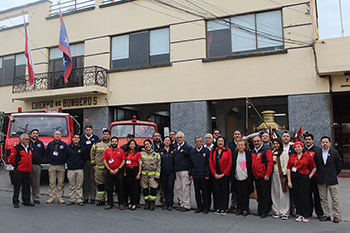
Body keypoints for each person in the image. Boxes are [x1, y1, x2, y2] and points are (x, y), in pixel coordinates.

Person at [314, 136, 342, 223]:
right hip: (321, 178)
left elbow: (339, 166)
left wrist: (333, 174)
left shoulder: (335, 153)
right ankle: (326, 214)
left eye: (326, 142)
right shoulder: (318, 153)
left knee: (335, 198)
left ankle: (336, 215)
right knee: (323, 198)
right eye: (323, 142)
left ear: (330, 143)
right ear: (321, 143)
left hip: (332, 178)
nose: (325, 144)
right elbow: (316, 165)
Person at [287, 141, 316, 222]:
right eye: (296, 147)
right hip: (294, 178)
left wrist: (310, 176)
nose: (297, 148)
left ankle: (306, 214)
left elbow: (314, 167)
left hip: (304, 177)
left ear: (302, 148)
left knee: (304, 196)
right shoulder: (292, 157)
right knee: (296, 196)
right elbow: (288, 168)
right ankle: (299, 213)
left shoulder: (308, 156)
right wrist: (289, 181)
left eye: (299, 147)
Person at [9, 133, 34, 208]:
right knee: (17, 187)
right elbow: (12, 159)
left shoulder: (29, 148)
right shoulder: (16, 148)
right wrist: (16, 166)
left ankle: (26, 200)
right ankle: (16, 201)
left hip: (27, 171)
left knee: (26, 186)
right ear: (21, 140)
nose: (27, 141)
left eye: (28, 139)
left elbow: (31, 157)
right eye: (26, 139)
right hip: (19, 171)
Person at [209, 136, 232, 216]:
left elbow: (229, 163)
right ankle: (217, 208)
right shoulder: (213, 151)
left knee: (224, 192)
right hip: (215, 175)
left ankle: (223, 208)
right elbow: (210, 162)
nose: (220, 143)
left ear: (224, 142)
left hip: (224, 175)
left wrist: (223, 174)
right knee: (216, 191)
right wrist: (214, 173)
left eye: (222, 141)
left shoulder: (228, 151)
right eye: (219, 141)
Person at [251, 135, 273, 218]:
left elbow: (270, 163)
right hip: (256, 176)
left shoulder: (266, 150)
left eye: (258, 141)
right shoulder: (253, 151)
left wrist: (267, 174)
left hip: (264, 176)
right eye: (255, 141)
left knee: (265, 195)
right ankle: (260, 210)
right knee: (259, 194)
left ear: (261, 141)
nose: (256, 143)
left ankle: (265, 211)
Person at [231, 139, 253, 216]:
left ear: (245, 146)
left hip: (246, 177)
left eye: (242, 145)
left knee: (245, 195)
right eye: (239, 145)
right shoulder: (235, 154)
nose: (240, 147)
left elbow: (250, 166)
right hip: (237, 177)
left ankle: (245, 209)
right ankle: (239, 209)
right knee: (238, 195)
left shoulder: (248, 154)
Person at [304, 133, 323, 219]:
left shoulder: (318, 150)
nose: (308, 141)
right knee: (307, 195)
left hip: (316, 176)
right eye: (306, 139)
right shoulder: (302, 149)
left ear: (313, 140)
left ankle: (319, 213)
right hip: (305, 177)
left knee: (317, 196)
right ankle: (308, 212)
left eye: (309, 139)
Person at [103, 136, 126, 210]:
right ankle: (109, 203)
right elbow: (104, 160)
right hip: (110, 172)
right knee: (109, 188)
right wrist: (109, 169)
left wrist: (118, 169)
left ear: (117, 142)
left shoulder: (121, 151)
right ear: (111, 142)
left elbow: (123, 161)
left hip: (118, 172)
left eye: (115, 141)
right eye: (112, 141)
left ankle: (121, 203)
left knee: (120, 188)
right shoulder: (107, 151)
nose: (114, 143)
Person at [189, 137, 211, 214]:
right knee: (197, 192)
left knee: (205, 192)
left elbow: (208, 164)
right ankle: (199, 207)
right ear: (195, 143)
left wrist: (207, 174)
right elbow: (190, 163)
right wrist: (191, 174)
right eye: (197, 142)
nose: (198, 143)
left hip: (203, 175)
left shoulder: (206, 151)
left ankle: (205, 207)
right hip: (195, 175)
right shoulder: (192, 151)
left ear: (202, 143)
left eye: (200, 142)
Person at [46, 131, 68, 204]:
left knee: (61, 182)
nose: (57, 136)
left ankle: (60, 197)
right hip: (52, 165)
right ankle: (52, 197)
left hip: (61, 165)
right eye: (56, 134)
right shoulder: (50, 145)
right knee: (52, 182)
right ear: (54, 135)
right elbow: (47, 153)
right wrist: (50, 160)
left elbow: (66, 154)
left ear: (61, 136)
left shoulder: (64, 145)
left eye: (59, 134)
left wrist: (63, 161)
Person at [91, 129, 111, 206]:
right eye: (104, 134)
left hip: (110, 168)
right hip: (99, 168)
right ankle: (101, 199)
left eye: (107, 134)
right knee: (100, 184)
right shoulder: (97, 144)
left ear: (109, 135)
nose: (106, 135)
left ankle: (110, 199)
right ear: (102, 135)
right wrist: (93, 164)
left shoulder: (113, 143)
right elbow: (92, 154)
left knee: (110, 185)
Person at [271, 138, 290, 220]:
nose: (275, 145)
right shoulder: (272, 152)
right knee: (275, 192)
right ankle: (277, 210)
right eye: (274, 144)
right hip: (273, 174)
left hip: (281, 174)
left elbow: (286, 164)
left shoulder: (284, 153)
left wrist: (284, 175)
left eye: (277, 144)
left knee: (283, 193)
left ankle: (284, 211)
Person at [80, 125, 99, 204]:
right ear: (85, 130)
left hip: (92, 162)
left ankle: (92, 198)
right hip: (84, 162)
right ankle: (85, 197)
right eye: (87, 130)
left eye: (89, 130)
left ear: (92, 130)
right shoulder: (81, 138)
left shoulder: (96, 138)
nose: (88, 131)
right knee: (85, 180)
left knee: (92, 180)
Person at [174, 131, 193, 212]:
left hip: (185, 170)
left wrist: (191, 172)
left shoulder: (188, 147)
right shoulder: (175, 147)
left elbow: (191, 160)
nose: (179, 139)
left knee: (185, 188)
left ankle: (186, 205)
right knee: (179, 187)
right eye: (177, 138)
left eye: (180, 138)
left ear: (184, 138)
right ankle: (181, 203)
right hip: (177, 170)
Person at [140, 139, 161, 210]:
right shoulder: (141, 154)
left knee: (153, 189)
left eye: (148, 144)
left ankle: (152, 203)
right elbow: (139, 164)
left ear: (151, 145)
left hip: (153, 175)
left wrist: (157, 176)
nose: (147, 146)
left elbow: (159, 166)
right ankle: (146, 203)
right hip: (144, 175)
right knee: (145, 189)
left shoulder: (156, 154)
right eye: (145, 145)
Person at [66, 134, 85, 206]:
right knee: (71, 185)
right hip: (71, 169)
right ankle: (72, 199)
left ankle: (79, 199)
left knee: (79, 185)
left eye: (78, 138)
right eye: (75, 138)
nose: (76, 139)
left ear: (79, 139)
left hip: (79, 168)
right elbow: (66, 157)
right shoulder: (68, 148)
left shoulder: (82, 148)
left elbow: (84, 157)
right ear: (72, 139)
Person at [227, 129, 243, 213]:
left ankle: (244, 206)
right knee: (234, 188)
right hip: (233, 169)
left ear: (241, 135)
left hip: (243, 169)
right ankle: (233, 204)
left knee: (243, 189)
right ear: (233, 136)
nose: (237, 135)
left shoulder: (245, 144)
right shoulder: (229, 144)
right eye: (235, 134)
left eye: (238, 134)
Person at [281, 131, 296, 217]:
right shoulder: (279, 148)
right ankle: (284, 208)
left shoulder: (293, 148)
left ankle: (293, 208)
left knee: (292, 192)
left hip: (292, 172)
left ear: (290, 138)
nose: (286, 138)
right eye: (284, 136)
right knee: (283, 191)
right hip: (282, 172)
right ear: (281, 138)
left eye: (287, 136)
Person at [124, 139, 142, 210]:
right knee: (130, 187)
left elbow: (140, 164)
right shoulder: (126, 153)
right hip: (128, 171)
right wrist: (125, 172)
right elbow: (125, 164)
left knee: (135, 188)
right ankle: (131, 203)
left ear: (135, 146)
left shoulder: (138, 153)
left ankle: (135, 203)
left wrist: (139, 173)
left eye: (133, 144)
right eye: (130, 144)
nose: (132, 145)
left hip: (135, 170)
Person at [159, 136, 176, 210]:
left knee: (170, 187)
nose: (167, 141)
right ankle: (165, 203)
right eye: (165, 140)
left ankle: (170, 203)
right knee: (164, 188)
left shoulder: (173, 150)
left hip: (171, 172)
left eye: (168, 140)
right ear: (163, 142)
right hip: (163, 172)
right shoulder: (160, 151)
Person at [29, 129, 45, 204]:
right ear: (30, 135)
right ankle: (26, 198)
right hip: (27, 165)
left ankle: (36, 197)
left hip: (36, 165)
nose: (35, 135)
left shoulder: (40, 143)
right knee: (26, 183)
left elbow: (43, 153)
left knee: (36, 182)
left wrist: (40, 160)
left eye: (36, 133)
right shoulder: (27, 142)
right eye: (33, 133)